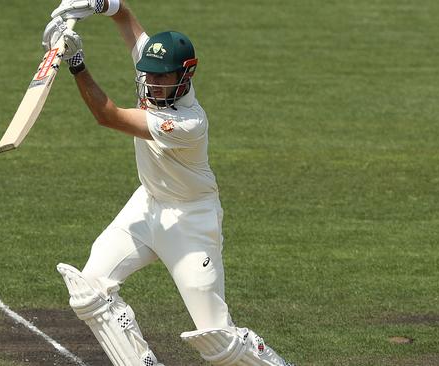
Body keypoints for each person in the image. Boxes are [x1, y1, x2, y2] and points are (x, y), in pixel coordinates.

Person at [43, 1, 295, 365]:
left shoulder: (188, 122)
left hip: (191, 222)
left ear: (186, 75)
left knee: (218, 342)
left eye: (162, 77)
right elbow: (124, 17)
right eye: (149, 74)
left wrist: (76, 63)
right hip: (146, 206)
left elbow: (107, 116)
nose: (153, 83)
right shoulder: (154, 70)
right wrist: (98, 4)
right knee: (89, 293)